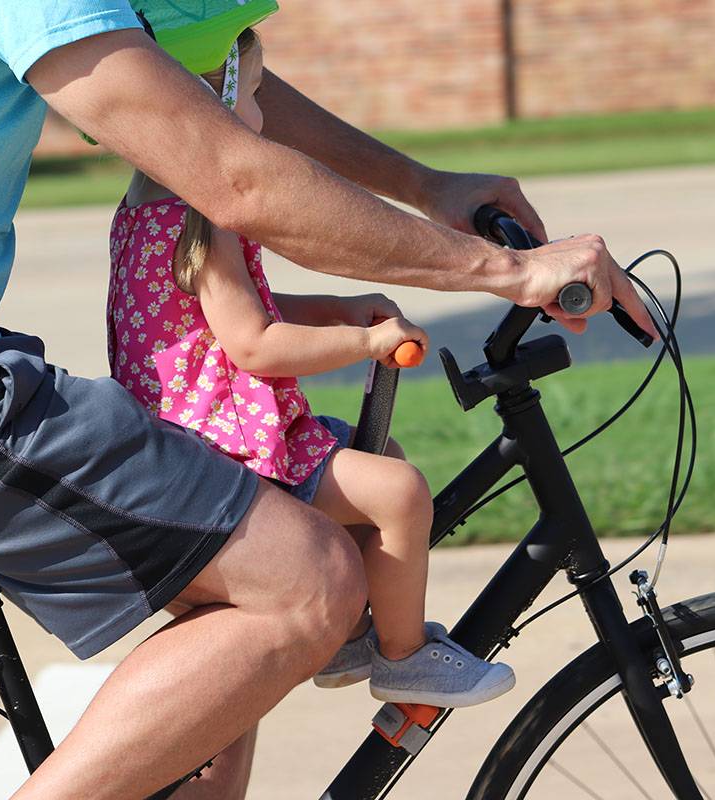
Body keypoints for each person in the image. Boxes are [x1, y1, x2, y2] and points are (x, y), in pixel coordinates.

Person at [0, 1, 656, 797]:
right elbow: (236, 174)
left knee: (250, 578)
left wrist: (426, 185)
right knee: (310, 577)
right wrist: (506, 269)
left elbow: (215, 85)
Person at [107, 26, 516, 711]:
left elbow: (210, 312)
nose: (266, 115)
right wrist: (368, 345)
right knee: (400, 492)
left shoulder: (149, 206)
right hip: (226, 454)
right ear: (220, 109)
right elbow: (255, 343)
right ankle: (404, 658)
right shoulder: (206, 216)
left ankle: (354, 635)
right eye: (259, 93)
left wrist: (337, 307)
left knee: (380, 453)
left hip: (194, 437)